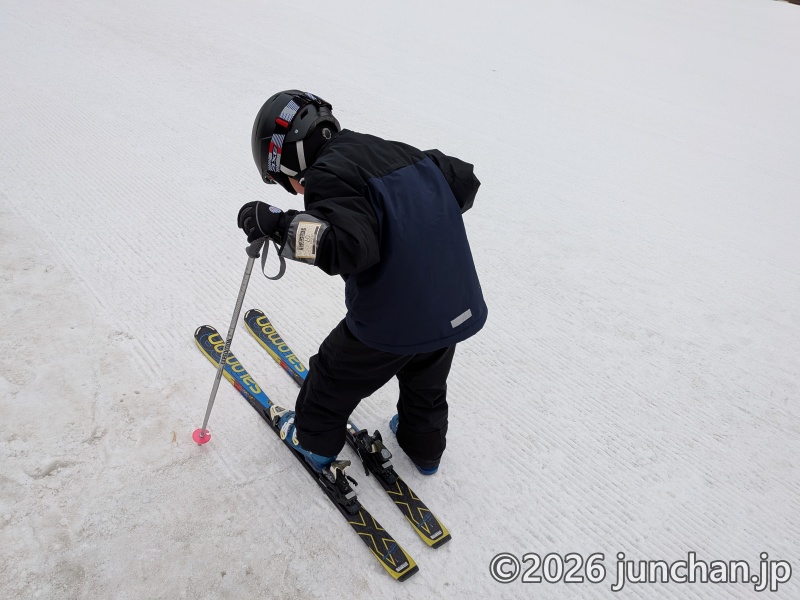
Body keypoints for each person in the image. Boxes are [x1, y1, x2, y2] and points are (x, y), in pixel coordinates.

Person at [237, 90, 487, 475]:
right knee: (427, 382)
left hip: (395, 319)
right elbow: (461, 179)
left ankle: (312, 444)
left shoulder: (327, 175)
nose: (296, 192)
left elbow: (349, 247)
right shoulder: (392, 149)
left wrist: (280, 224)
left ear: (293, 160)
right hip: (453, 304)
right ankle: (424, 449)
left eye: (286, 182)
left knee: (330, 379)